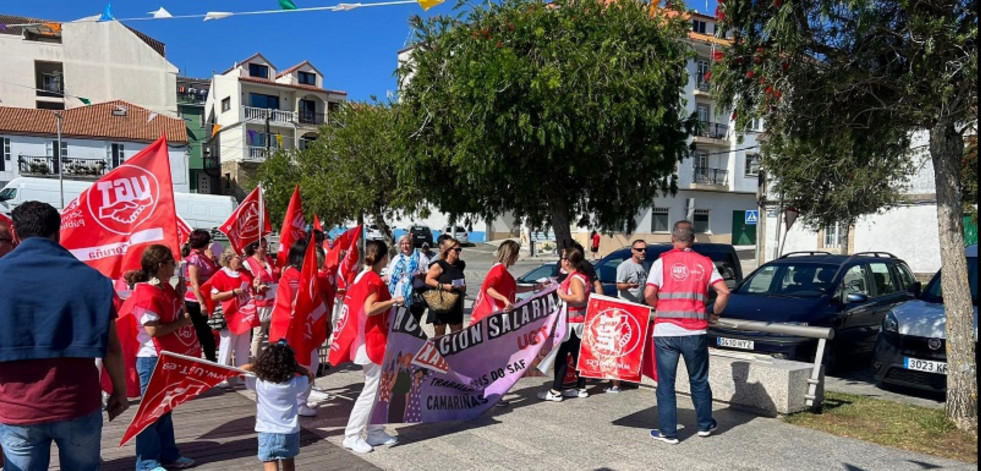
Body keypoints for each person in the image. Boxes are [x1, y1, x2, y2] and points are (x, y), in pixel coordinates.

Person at [0, 201, 128, 471]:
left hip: (17, 408)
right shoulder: (93, 280)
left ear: (14, 235)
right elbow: (112, 348)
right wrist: (119, 391)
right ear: (58, 234)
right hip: (77, 403)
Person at [644, 220, 730, 445]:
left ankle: (668, 432)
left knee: (666, 383)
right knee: (699, 380)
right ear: (693, 240)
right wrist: (714, 314)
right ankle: (704, 425)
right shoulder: (704, 263)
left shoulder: (660, 263)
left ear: (673, 238)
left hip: (665, 331)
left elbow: (649, 294)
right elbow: (723, 293)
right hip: (695, 332)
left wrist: (660, 306)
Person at [125, 244, 199, 470]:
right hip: (152, 357)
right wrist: (182, 322)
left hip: (166, 356)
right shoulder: (146, 292)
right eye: (170, 263)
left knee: (165, 408)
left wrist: (179, 295)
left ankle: (168, 454)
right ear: (160, 266)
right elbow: (153, 330)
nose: (174, 266)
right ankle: (147, 462)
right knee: (151, 412)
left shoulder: (164, 287)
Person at [342, 240, 404, 454]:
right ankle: (352, 435)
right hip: (373, 343)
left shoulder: (364, 277)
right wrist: (394, 300)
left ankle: (375, 431)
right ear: (384, 258)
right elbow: (370, 309)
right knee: (371, 391)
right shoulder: (372, 280)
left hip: (373, 341)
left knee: (380, 390)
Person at [241, 341, 314, 471]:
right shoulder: (294, 384)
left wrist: (258, 365)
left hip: (267, 430)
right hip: (289, 431)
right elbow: (310, 375)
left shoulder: (259, 383)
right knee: (289, 464)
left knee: (270, 463)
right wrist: (297, 367)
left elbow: (241, 370)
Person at [269, 239, 319, 418]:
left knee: (311, 361)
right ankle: (298, 402)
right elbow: (288, 304)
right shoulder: (291, 276)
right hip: (290, 329)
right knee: (304, 363)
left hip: (300, 327)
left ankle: (299, 400)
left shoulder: (301, 274)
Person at [538, 245, 590, 402]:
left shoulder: (575, 278)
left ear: (568, 262)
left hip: (572, 324)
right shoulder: (582, 275)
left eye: (563, 258)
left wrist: (561, 294)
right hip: (578, 322)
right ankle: (581, 387)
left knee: (561, 356)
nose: (561, 261)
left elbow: (579, 298)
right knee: (577, 355)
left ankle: (555, 390)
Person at [210, 248, 260, 387]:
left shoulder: (245, 273)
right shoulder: (220, 274)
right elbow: (214, 295)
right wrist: (233, 292)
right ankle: (220, 376)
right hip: (229, 314)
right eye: (238, 257)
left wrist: (257, 286)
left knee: (243, 347)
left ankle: (241, 375)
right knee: (226, 345)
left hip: (244, 314)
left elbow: (252, 290)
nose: (242, 259)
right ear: (229, 259)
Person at [608, 239, 650, 394]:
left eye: (645, 249)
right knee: (619, 345)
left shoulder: (645, 266)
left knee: (633, 345)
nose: (643, 252)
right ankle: (614, 384)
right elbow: (618, 285)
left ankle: (628, 377)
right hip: (625, 307)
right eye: (639, 249)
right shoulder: (625, 266)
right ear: (633, 250)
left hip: (639, 307)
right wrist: (629, 286)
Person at [470, 240, 540, 325]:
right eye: (516, 255)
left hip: (496, 317)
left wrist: (535, 287)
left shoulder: (503, 271)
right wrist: (504, 299)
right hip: (490, 317)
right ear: (510, 255)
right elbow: (488, 288)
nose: (517, 257)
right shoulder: (499, 269)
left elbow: (514, 289)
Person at [184, 229, 219, 361]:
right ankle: (206, 361)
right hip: (196, 300)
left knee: (207, 334)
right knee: (204, 334)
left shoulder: (203, 256)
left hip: (207, 298)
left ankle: (209, 360)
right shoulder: (195, 259)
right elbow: (194, 283)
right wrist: (202, 303)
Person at [244, 238, 279, 360]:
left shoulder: (268, 260)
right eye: (263, 247)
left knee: (274, 334)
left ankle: (272, 361)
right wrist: (257, 286)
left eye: (266, 246)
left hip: (274, 301)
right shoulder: (247, 263)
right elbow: (246, 283)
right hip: (260, 303)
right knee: (259, 334)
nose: (266, 249)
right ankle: (255, 362)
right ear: (255, 248)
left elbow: (274, 275)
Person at [425, 237, 467, 336]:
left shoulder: (460, 265)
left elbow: (462, 280)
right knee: (440, 335)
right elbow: (428, 280)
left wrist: (463, 287)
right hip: (440, 303)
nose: (458, 252)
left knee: (457, 334)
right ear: (448, 250)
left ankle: (454, 352)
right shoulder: (439, 265)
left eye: (459, 249)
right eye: (456, 250)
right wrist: (444, 286)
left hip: (455, 304)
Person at [385, 234, 426, 322]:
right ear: (400, 246)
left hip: (415, 299)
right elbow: (389, 276)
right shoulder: (397, 258)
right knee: (398, 324)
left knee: (413, 324)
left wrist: (421, 275)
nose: (405, 246)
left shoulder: (421, 257)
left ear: (412, 244)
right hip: (397, 297)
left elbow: (429, 274)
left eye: (407, 243)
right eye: (402, 244)